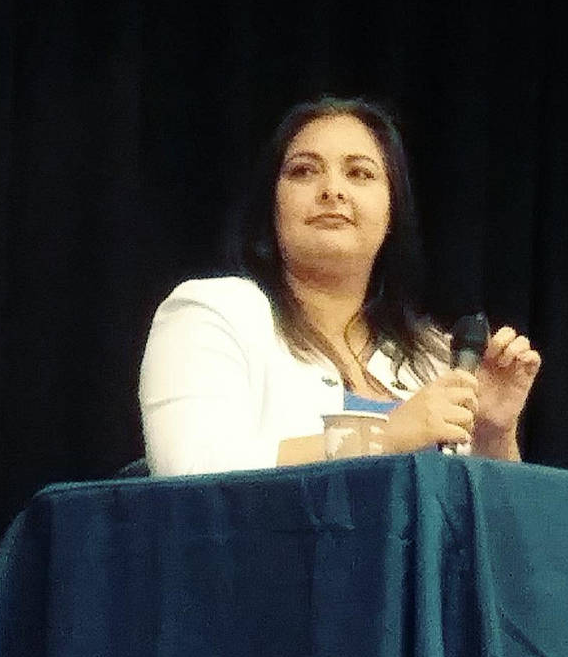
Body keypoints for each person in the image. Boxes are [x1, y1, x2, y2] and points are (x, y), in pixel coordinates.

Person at [139, 97, 542, 475]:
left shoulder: (435, 357)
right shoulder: (211, 312)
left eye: (359, 173)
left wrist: (494, 432)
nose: (333, 190)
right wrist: (385, 437)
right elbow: (191, 472)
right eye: (304, 171)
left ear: (392, 210)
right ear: (272, 205)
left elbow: (489, 527)